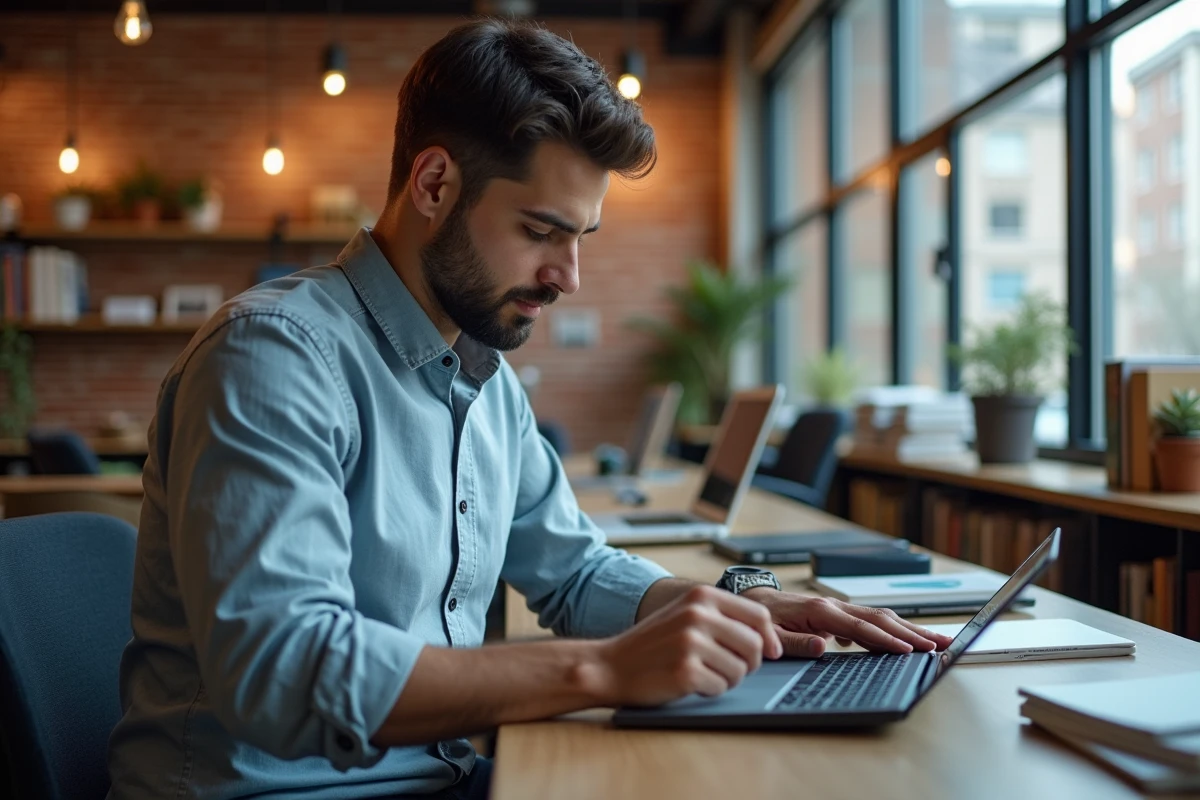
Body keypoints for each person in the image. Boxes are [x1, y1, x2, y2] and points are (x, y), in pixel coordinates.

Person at [106, 18, 951, 800]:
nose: (568, 276)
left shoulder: (486, 381)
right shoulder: (275, 355)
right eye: (543, 231)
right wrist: (603, 671)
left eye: (582, 238)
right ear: (434, 183)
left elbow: (576, 573)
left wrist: (722, 609)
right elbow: (285, 672)